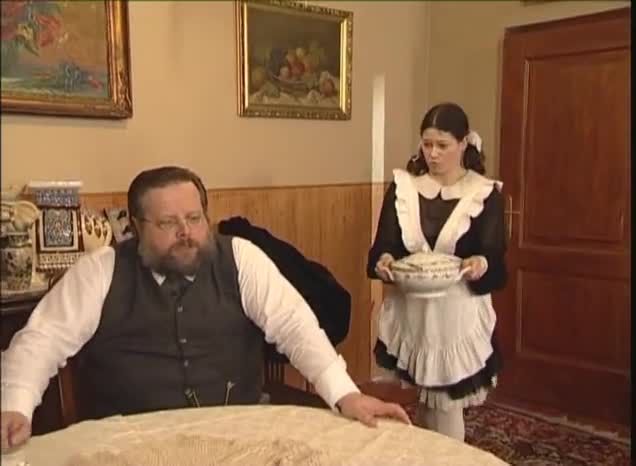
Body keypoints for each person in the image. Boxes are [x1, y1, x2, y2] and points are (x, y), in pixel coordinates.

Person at [1, 166, 410, 451]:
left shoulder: (242, 258)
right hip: (129, 446)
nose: (187, 233)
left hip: (239, 440)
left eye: (195, 218)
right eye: (168, 223)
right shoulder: (100, 271)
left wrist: (346, 395)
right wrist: (15, 407)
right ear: (136, 227)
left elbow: (295, 327)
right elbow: (41, 340)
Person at [367, 102, 507, 441]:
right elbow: (385, 244)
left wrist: (481, 263)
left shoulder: (483, 193)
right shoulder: (404, 188)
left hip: (455, 316)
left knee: (445, 406)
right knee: (427, 403)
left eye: (442, 145)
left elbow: (493, 255)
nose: (432, 153)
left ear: (464, 143)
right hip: (413, 312)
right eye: (427, 144)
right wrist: (385, 259)